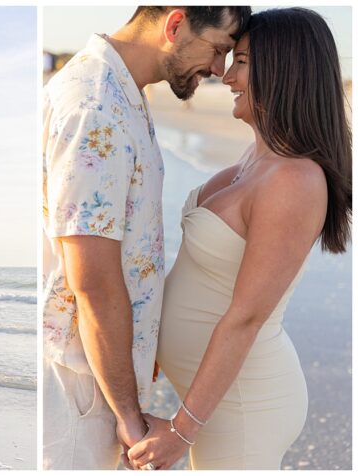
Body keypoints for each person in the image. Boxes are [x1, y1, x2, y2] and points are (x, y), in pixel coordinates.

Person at [128, 8, 351, 470]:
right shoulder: (258, 159)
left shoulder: (295, 181)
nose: (226, 77)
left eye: (242, 62)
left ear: (284, 69)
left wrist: (181, 431)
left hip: (246, 405)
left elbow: (246, 318)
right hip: (219, 401)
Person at [41, 6, 251, 469]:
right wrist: (128, 417)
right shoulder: (96, 105)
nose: (218, 69)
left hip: (99, 377)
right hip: (81, 387)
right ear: (175, 26)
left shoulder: (122, 93)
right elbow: (92, 280)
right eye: (217, 49)